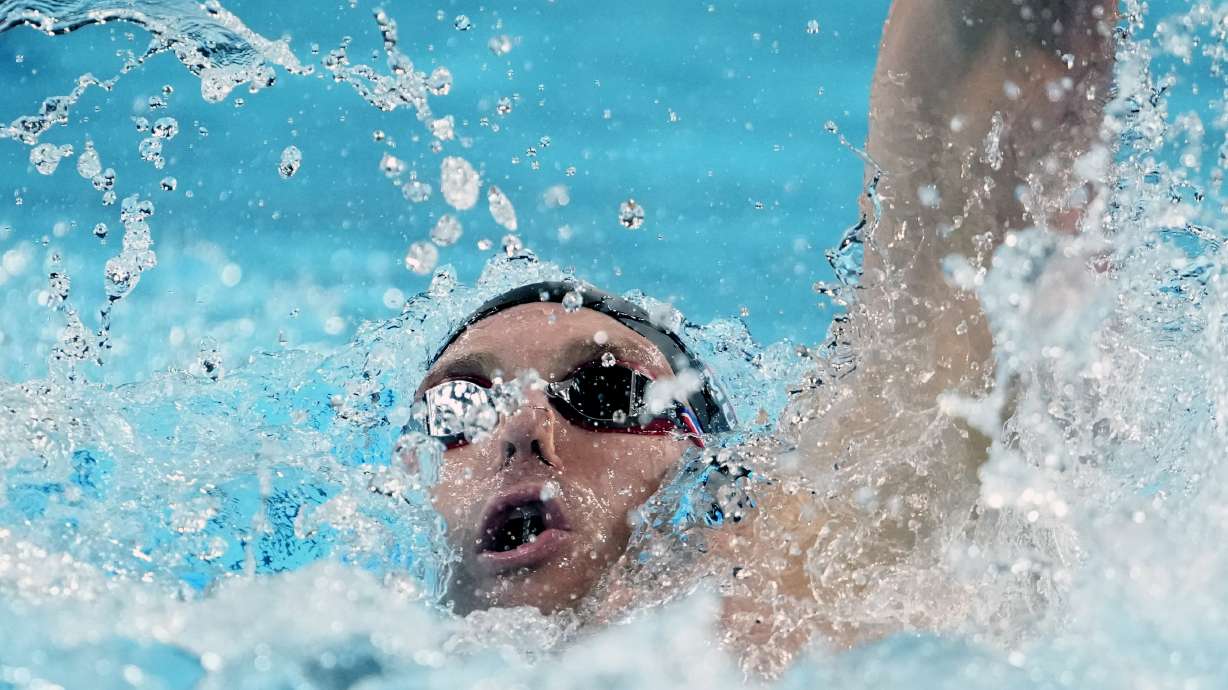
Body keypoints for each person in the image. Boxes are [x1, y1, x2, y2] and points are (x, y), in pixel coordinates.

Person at [404, 0, 1120, 676]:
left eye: (607, 391)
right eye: (460, 409)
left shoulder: (790, 603)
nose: (523, 430)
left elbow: (968, 172)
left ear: (706, 465)